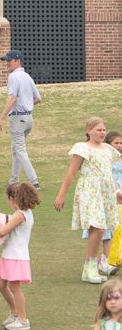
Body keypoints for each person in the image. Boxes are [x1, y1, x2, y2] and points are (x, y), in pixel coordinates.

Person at [55, 118, 122, 285]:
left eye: (103, 130)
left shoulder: (108, 149)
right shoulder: (82, 148)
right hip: (89, 191)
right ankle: (91, 266)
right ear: (89, 131)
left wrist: (116, 191)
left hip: (106, 193)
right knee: (98, 228)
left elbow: (108, 174)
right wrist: (61, 195)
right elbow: (71, 172)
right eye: (98, 129)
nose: (102, 133)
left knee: (100, 228)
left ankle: (89, 269)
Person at [0, 181, 37, 330]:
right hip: (9, 255)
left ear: (13, 198)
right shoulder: (20, 214)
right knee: (1, 284)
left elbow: (3, 231)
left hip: (16, 256)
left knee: (15, 286)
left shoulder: (21, 215)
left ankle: (22, 320)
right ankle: (15, 313)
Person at [0, 49, 42, 185]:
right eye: (6, 61)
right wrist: (26, 104)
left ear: (17, 61)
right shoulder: (27, 76)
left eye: (9, 61)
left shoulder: (13, 77)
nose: (7, 63)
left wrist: (1, 118)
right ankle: (14, 180)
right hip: (28, 119)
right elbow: (38, 98)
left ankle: (34, 181)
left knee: (19, 150)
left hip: (18, 119)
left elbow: (12, 98)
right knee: (16, 150)